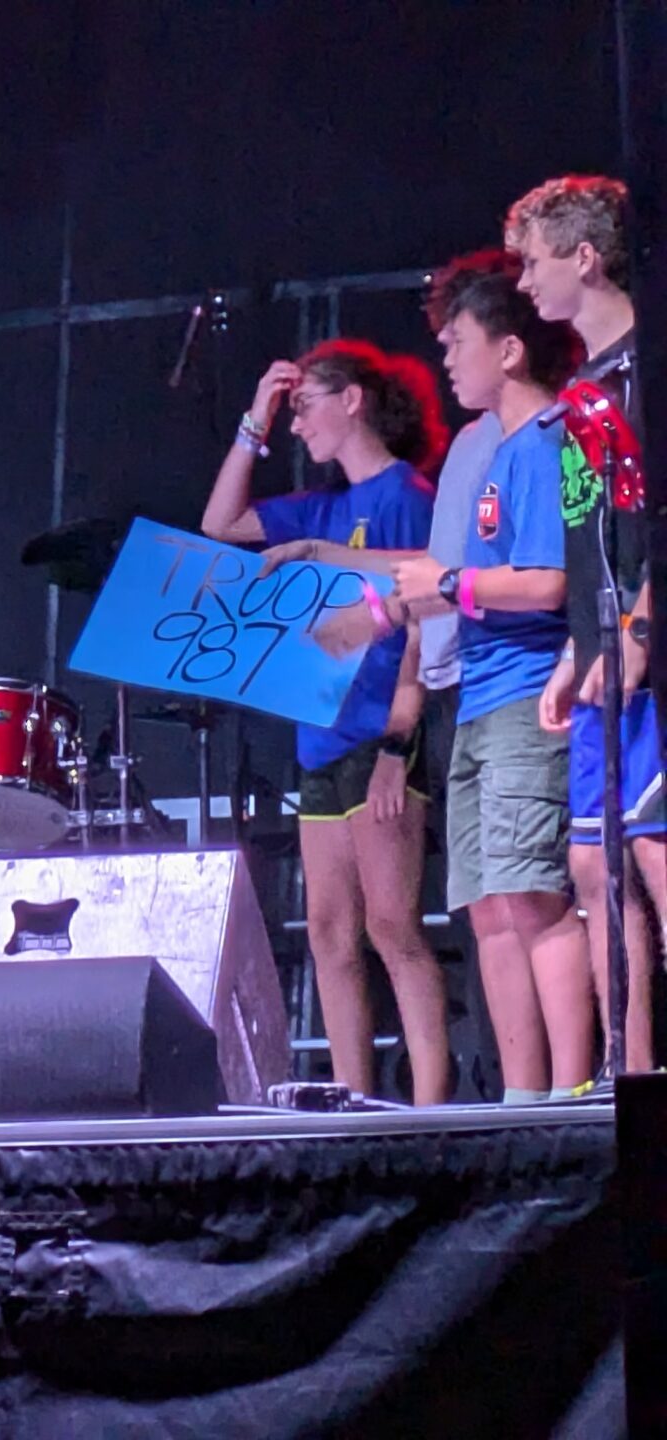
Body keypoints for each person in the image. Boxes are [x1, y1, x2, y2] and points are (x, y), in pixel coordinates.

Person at [201, 339, 446, 1102]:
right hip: (321, 740)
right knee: (333, 934)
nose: (296, 425)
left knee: (392, 928)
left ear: (353, 402)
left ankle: (433, 1108)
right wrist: (255, 419)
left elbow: (426, 614)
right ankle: (350, 1101)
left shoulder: (406, 492)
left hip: (382, 733)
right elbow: (221, 525)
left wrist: (397, 747)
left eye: (305, 407)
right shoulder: (321, 507)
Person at [374, 253, 593, 1103]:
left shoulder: (547, 441)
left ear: (508, 350)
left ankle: (573, 1092)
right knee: (489, 909)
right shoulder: (493, 451)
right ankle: (522, 1096)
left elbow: (551, 583)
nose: (447, 361)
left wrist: (450, 585)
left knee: (533, 898)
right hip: (477, 700)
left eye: (458, 342)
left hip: (531, 696)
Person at [513, 174, 661, 1076]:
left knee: (655, 847)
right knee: (597, 871)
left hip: (651, 641)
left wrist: (643, 627)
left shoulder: (654, 364)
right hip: (605, 647)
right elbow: (595, 532)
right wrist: (580, 644)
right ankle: (629, 1077)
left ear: (584, 257)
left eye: (534, 263)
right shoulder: (581, 395)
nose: (524, 285)